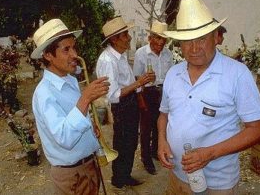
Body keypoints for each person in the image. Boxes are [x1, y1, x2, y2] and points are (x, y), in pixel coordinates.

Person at [158, 0, 260, 195]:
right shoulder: (173, 73)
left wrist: (210, 153)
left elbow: (258, 129)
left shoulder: (237, 74)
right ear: (179, 44)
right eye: (187, 41)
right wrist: (161, 140)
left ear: (216, 37)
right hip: (177, 176)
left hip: (218, 182)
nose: (194, 48)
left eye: (201, 38)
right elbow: (164, 114)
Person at [31, 19, 109, 195]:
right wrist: (85, 98)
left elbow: (74, 117)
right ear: (48, 55)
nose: (74, 54)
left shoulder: (71, 80)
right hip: (71, 175)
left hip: (88, 166)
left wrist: (90, 126)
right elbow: (64, 137)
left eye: (74, 47)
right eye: (66, 49)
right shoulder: (44, 94)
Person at [96, 16, 154, 188]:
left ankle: (124, 175)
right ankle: (119, 180)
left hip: (129, 103)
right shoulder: (108, 60)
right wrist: (139, 83)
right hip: (121, 106)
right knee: (122, 143)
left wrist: (139, 95)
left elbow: (126, 83)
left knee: (129, 143)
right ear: (114, 39)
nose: (129, 37)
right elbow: (113, 95)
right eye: (125, 35)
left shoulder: (119, 56)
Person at [133, 20, 173, 175]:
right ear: (150, 38)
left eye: (163, 40)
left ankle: (156, 151)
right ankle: (145, 158)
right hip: (147, 93)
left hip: (163, 92)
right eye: (158, 39)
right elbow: (137, 80)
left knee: (160, 125)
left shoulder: (168, 54)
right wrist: (141, 100)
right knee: (146, 128)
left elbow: (170, 77)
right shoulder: (141, 54)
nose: (161, 43)